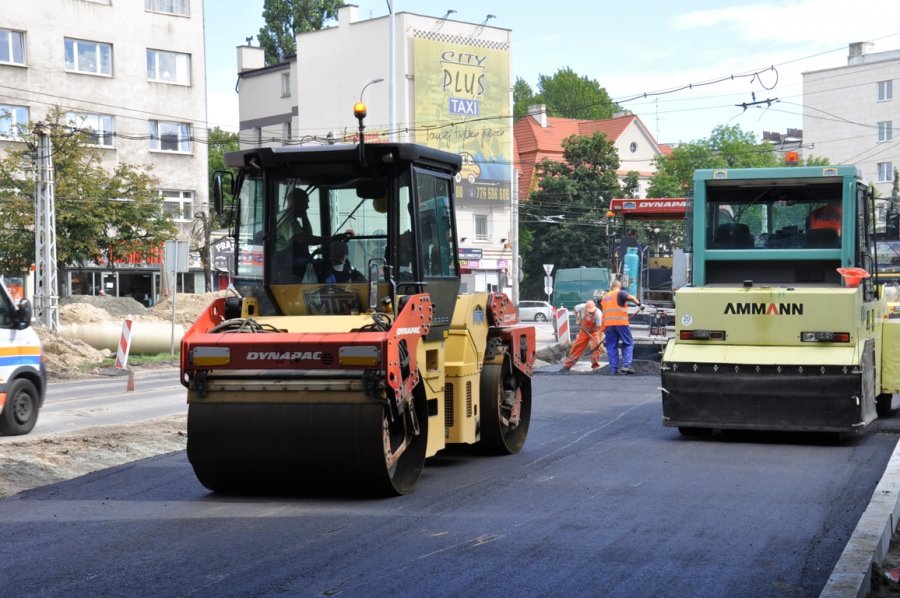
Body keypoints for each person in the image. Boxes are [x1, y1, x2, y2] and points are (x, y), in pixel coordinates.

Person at [600, 279, 641, 375]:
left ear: (611, 287)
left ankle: (613, 370)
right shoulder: (620, 293)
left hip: (608, 325)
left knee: (611, 347)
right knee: (628, 343)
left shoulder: (605, 297)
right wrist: (639, 304)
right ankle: (626, 365)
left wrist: (603, 328)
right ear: (619, 286)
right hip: (621, 323)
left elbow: (604, 312)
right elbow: (630, 297)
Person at [561, 300, 604, 371]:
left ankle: (595, 366)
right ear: (586, 307)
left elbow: (600, 329)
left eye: (591, 311)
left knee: (596, 348)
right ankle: (568, 365)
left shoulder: (598, 313)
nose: (590, 312)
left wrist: (599, 342)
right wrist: (578, 319)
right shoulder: (582, 307)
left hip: (595, 331)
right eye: (589, 310)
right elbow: (575, 309)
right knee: (577, 346)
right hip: (584, 330)